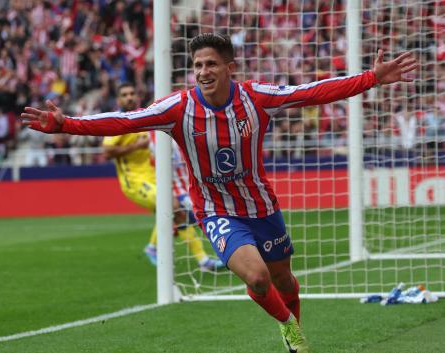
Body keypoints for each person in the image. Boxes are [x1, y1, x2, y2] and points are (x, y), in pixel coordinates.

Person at [21, 33, 416, 353]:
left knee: (286, 282)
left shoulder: (257, 97)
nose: (202, 71)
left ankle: (292, 326)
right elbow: (124, 120)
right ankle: (292, 332)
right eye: (197, 66)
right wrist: (67, 124)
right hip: (215, 211)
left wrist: (371, 78)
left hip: (262, 206)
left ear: (230, 67)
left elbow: (313, 91)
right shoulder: (178, 108)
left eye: (210, 64)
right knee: (258, 278)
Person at [102, 82, 222, 270]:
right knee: (173, 207)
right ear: (118, 99)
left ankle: (202, 260)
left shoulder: (143, 119)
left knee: (176, 213)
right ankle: (157, 249)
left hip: (153, 178)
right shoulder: (120, 121)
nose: (129, 97)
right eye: (124, 95)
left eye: (132, 93)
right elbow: (107, 151)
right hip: (134, 182)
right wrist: (135, 147)